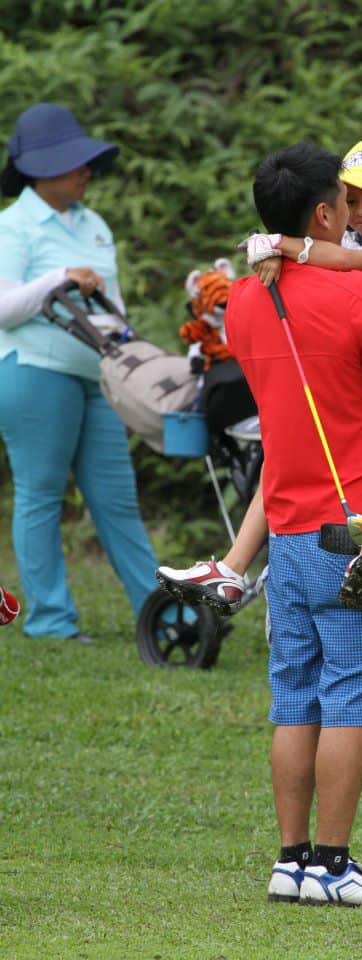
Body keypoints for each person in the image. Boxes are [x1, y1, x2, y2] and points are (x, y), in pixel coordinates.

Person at [193, 140, 362, 906]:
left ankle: (290, 861)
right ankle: (333, 867)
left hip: (287, 528)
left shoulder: (245, 298)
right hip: (355, 520)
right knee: (352, 697)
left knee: (295, 697)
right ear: (326, 213)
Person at [157, 138, 362, 611]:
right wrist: (286, 249)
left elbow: (337, 260)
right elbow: (330, 254)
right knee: (282, 457)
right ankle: (234, 566)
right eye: (349, 199)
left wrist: (280, 243)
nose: (357, 211)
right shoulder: (349, 247)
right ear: (328, 210)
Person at [0, 103, 158, 642]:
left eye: (85, 161)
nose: (85, 170)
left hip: (99, 379)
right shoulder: (13, 225)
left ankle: (162, 612)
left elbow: (111, 306)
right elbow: (3, 307)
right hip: (35, 373)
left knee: (118, 503)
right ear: (39, 170)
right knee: (41, 495)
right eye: (72, 163)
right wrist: (59, 278)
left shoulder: (95, 226)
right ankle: (50, 620)